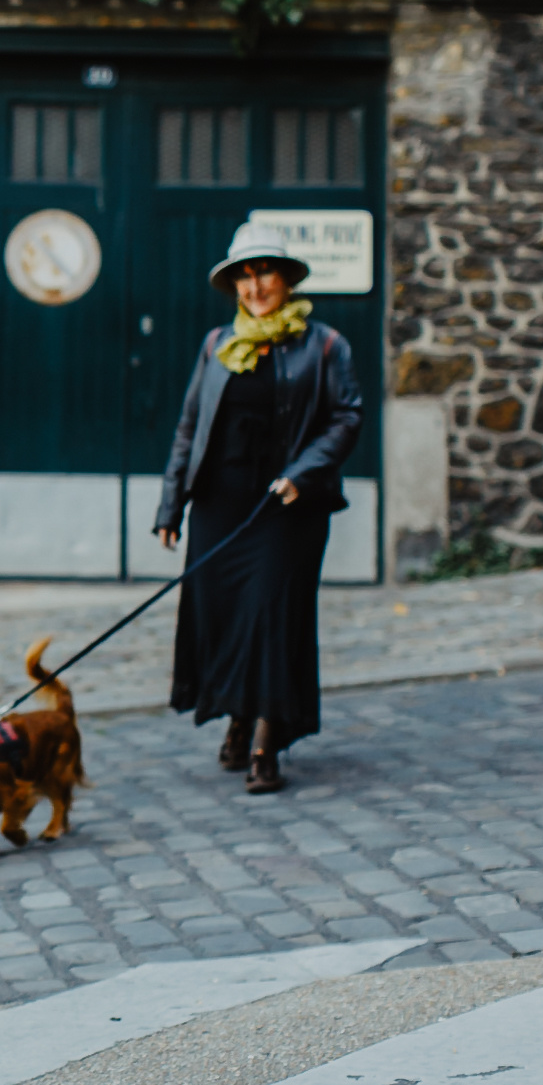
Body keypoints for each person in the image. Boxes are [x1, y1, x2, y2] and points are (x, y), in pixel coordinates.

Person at [154, 221, 362, 796]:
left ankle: (267, 743)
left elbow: (347, 416)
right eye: (244, 277)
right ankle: (238, 718)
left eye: (264, 272)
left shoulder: (324, 344)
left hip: (286, 506)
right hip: (220, 504)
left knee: (272, 619)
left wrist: (304, 472)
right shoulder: (217, 345)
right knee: (223, 619)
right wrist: (171, 505)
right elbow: (190, 427)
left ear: (287, 278)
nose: (255, 286)